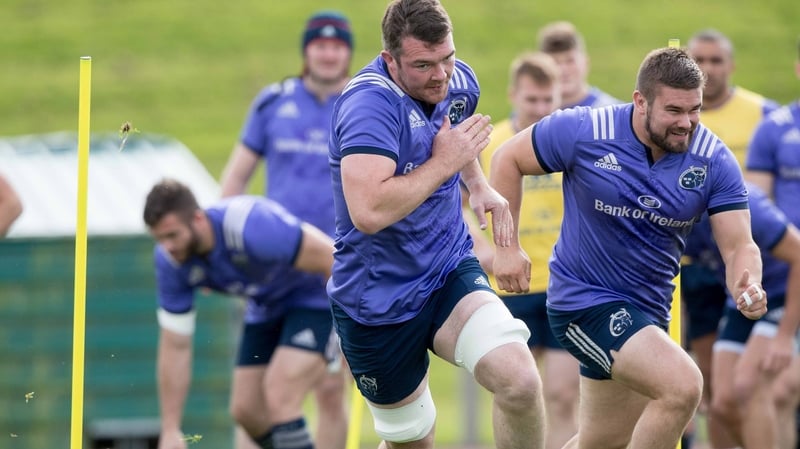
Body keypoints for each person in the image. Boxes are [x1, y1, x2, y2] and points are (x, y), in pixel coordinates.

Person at [489, 46, 768, 449]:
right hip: (583, 303)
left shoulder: (712, 159)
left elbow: (740, 244)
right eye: (674, 111)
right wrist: (506, 247)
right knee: (683, 386)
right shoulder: (586, 130)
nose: (686, 123)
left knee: (602, 442)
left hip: (646, 316)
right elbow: (507, 158)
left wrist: (748, 282)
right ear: (641, 101)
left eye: (695, 110)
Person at [327, 1, 546, 448]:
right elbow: (369, 212)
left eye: (447, 58)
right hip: (377, 299)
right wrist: (447, 162)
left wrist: (477, 184)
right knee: (413, 440)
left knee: (520, 381)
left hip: (447, 268)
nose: (441, 75)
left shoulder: (458, 80)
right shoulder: (368, 105)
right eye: (423, 65)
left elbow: (452, 133)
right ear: (390, 60)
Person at [219, 10, 354, 449]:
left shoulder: (361, 105)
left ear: (348, 54)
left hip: (332, 275)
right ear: (306, 51)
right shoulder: (273, 102)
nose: (329, 54)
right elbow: (235, 178)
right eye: (320, 45)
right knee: (253, 401)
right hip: (273, 270)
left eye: (337, 46)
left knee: (330, 389)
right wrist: (227, 244)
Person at [143, 179, 339, 449]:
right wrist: (170, 429)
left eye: (173, 235)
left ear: (198, 219)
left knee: (280, 392)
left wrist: (348, 330)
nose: (168, 247)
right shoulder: (171, 262)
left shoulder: (251, 226)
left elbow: (332, 259)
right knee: (246, 409)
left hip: (314, 298)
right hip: (265, 306)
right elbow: (175, 345)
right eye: (160, 239)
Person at [464, 51, 577, 449]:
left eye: (548, 100)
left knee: (563, 395)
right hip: (508, 285)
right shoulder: (491, 145)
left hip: (563, 283)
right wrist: (483, 249)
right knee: (515, 391)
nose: (540, 108)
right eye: (532, 99)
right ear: (514, 95)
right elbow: (457, 205)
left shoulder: (570, 144)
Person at [681, 28, 781, 448]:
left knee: (743, 386)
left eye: (716, 60)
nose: (707, 69)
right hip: (688, 260)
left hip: (746, 256)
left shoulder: (763, 115)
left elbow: (770, 197)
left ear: (731, 65)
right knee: (702, 384)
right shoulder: (675, 115)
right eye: (698, 61)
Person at [685, 184, 800, 449]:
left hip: (782, 292)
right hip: (741, 297)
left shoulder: (750, 206)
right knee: (722, 401)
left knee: (748, 385)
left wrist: (785, 335)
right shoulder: (672, 215)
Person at [536, 21, 621, 109]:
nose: (562, 69)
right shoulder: (533, 114)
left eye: (570, 61)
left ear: (586, 63)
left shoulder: (612, 112)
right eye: (555, 62)